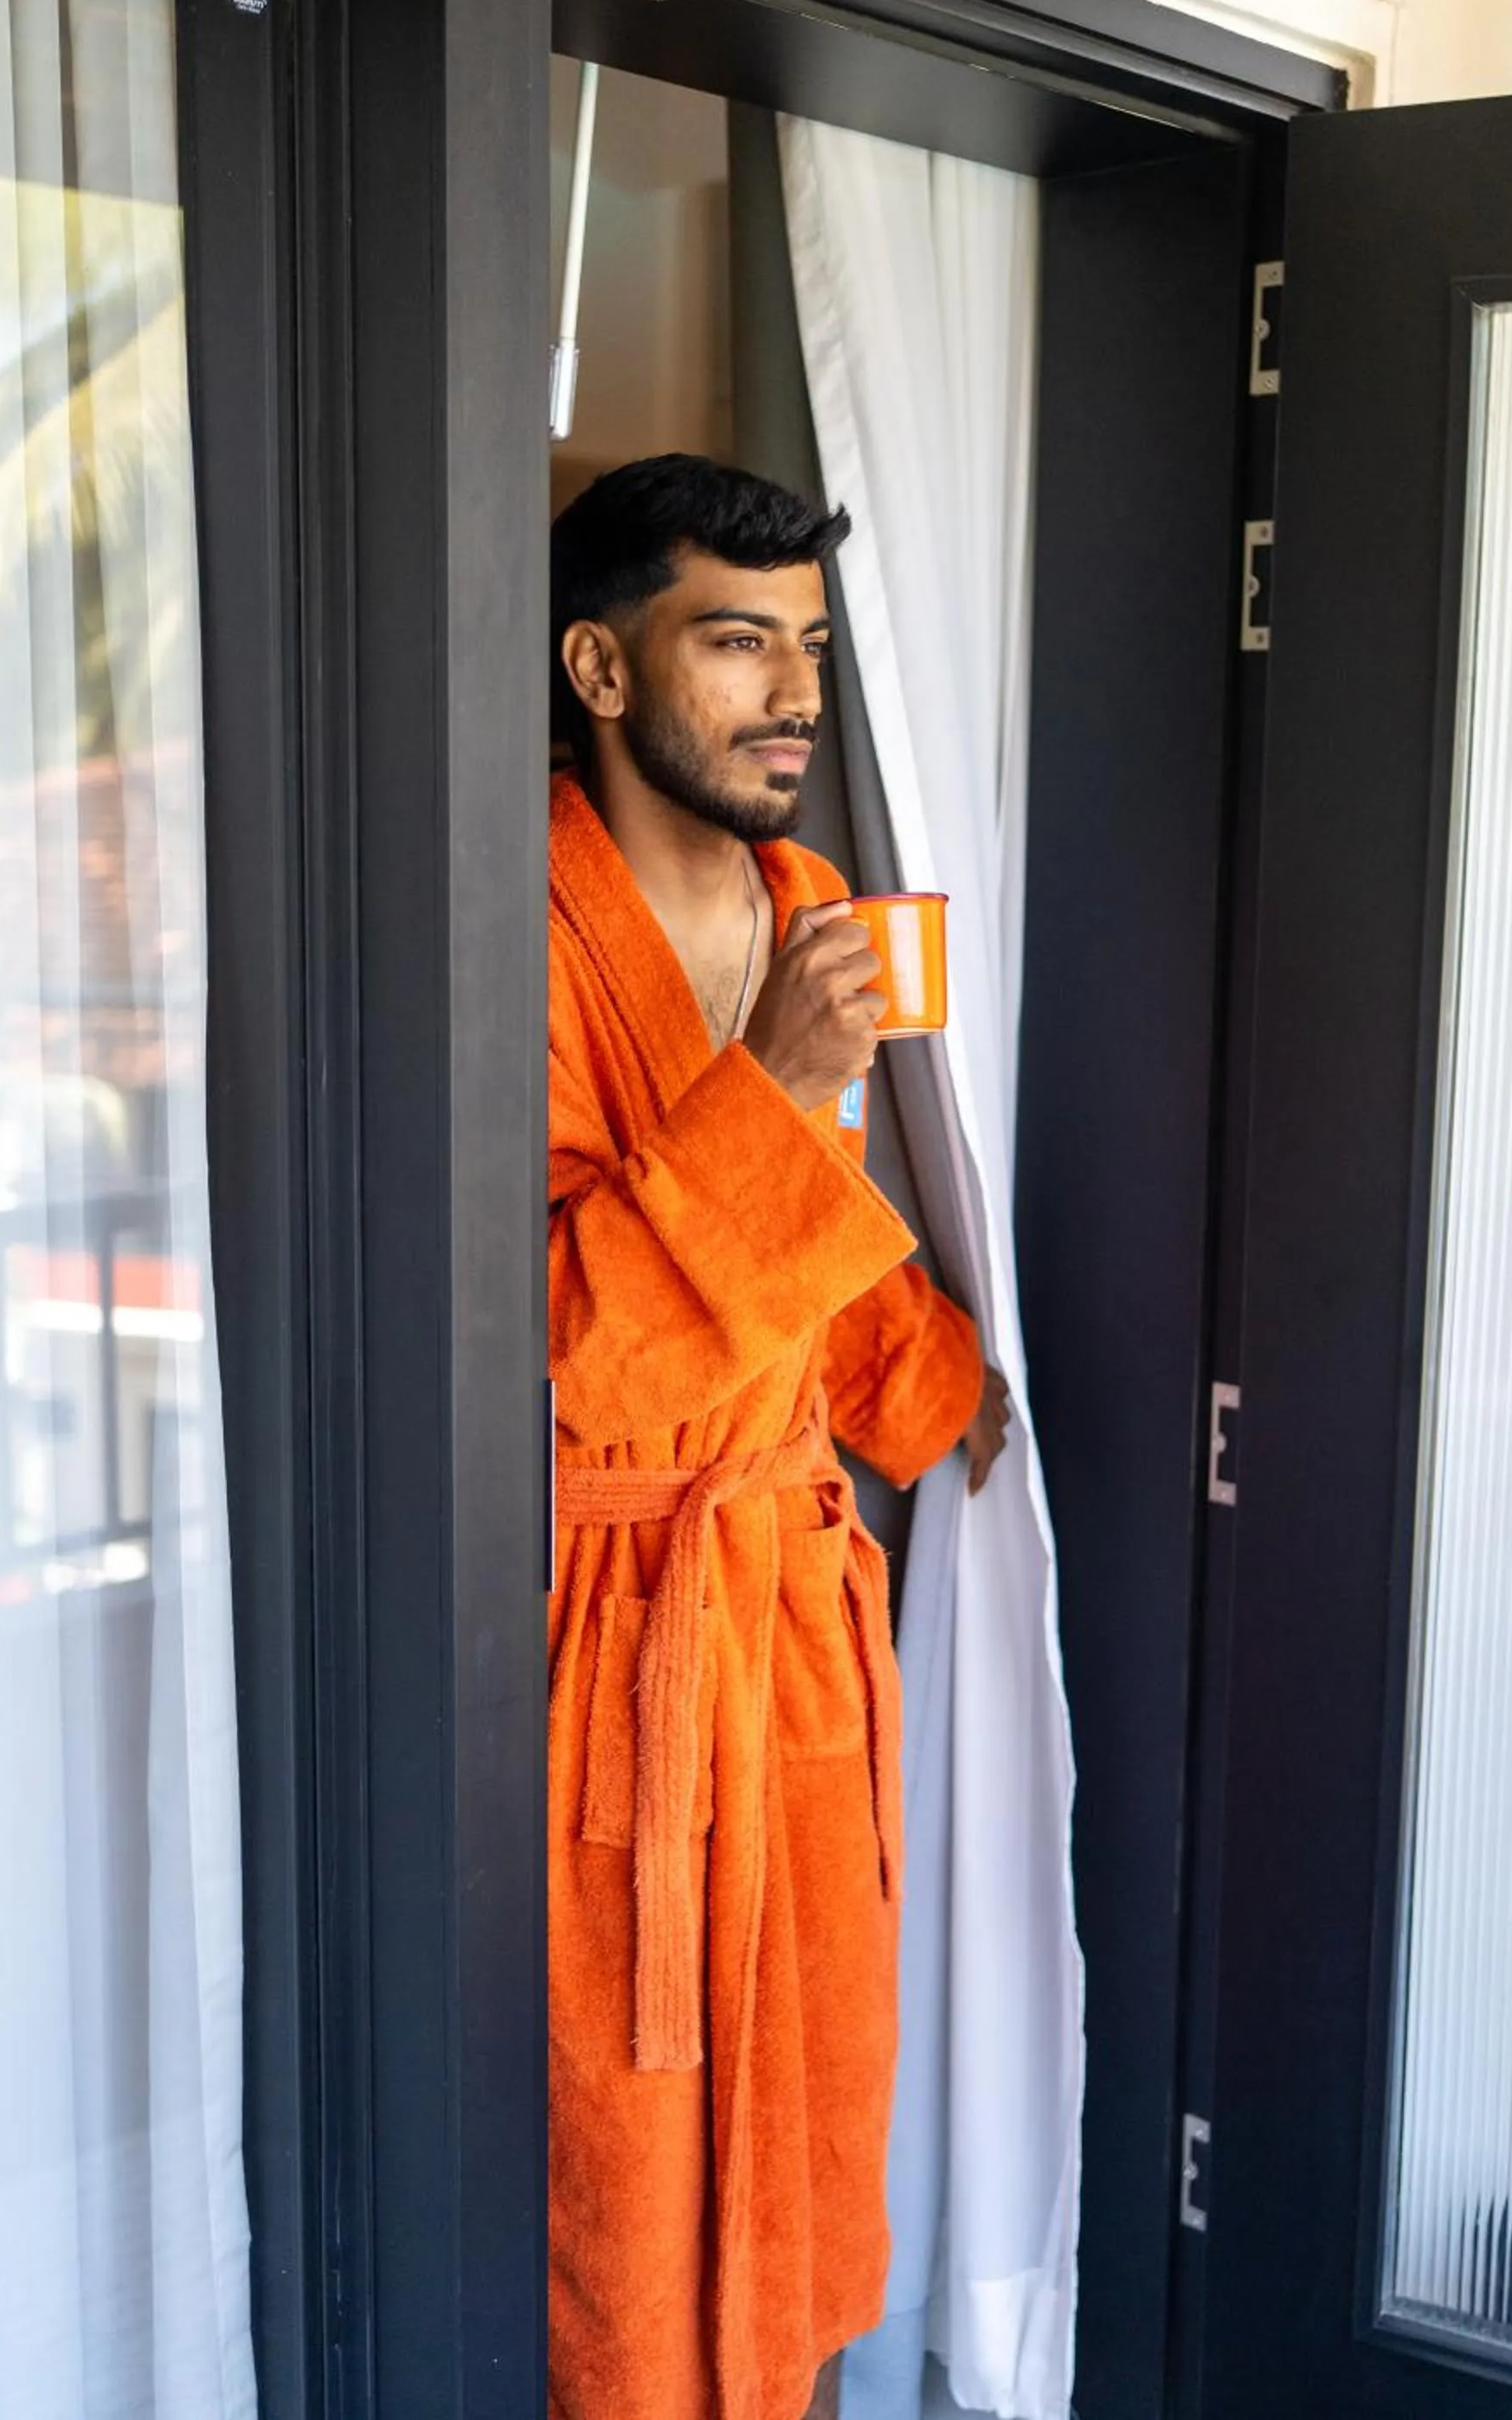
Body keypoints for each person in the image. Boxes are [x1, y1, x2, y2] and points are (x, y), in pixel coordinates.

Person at [545, 454, 1010, 2420]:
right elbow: (564, 1364)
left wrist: (948, 1400)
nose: (789, 693)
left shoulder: (808, 903)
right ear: (600, 664)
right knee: (623, 2207)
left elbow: (813, 1280)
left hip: (791, 1621)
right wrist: (780, 1084)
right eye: (734, 641)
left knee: (813, 2148)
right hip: (613, 1649)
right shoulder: (518, 934)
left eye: (805, 646)